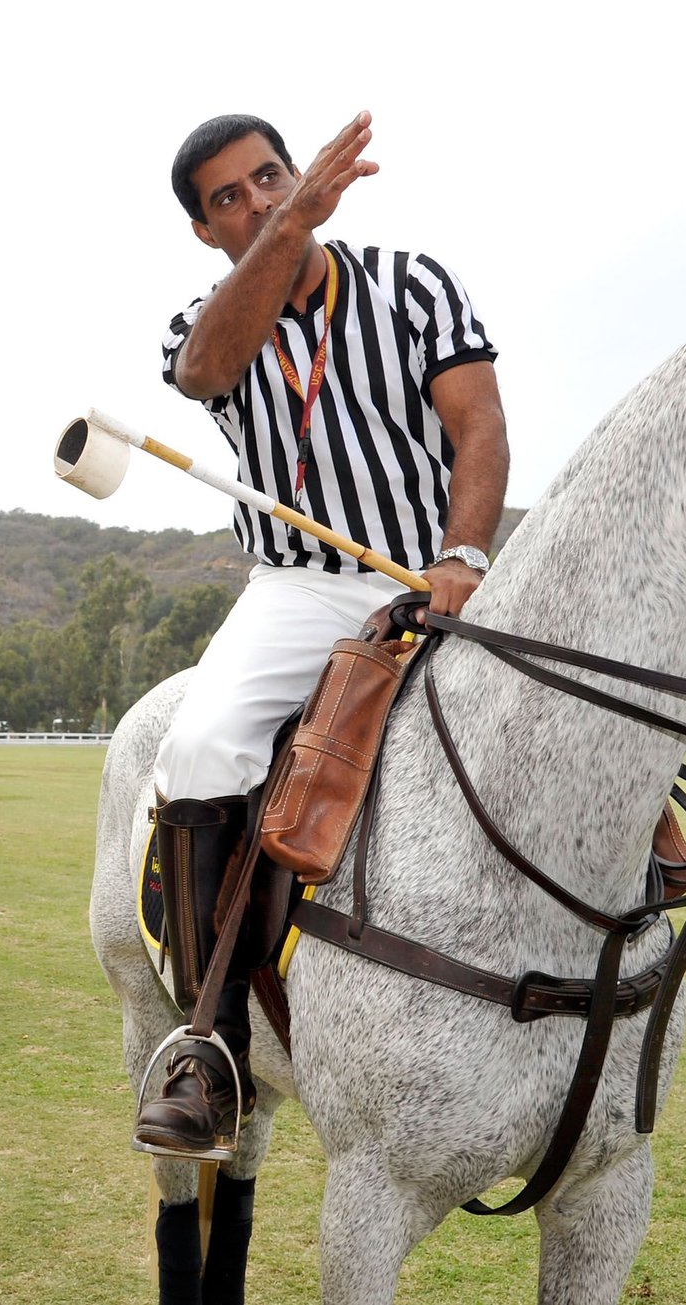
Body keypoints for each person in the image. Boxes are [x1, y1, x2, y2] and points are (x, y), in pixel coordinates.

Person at [135, 112, 509, 1161]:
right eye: (229, 199)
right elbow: (208, 374)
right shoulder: (202, 321)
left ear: (296, 170)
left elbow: (478, 423)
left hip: (440, 568)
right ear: (207, 233)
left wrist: (465, 555)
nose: (255, 200)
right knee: (200, 749)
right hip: (301, 588)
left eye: (270, 178)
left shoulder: (413, 283)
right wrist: (291, 226)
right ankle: (212, 1049)